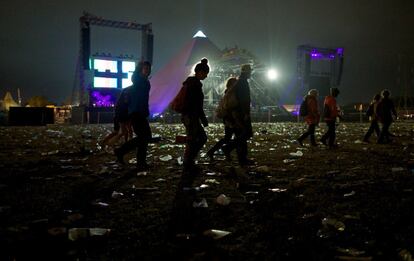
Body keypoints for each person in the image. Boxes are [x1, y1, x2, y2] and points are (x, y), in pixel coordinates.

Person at [114, 61, 152, 170]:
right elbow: (137, 99)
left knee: (144, 138)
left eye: (149, 69)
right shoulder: (140, 82)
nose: (148, 71)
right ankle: (121, 151)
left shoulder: (144, 82)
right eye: (145, 68)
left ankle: (140, 162)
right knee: (145, 137)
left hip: (140, 112)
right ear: (140, 70)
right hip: (136, 113)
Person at [181, 58, 210, 170]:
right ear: (200, 72)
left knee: (193, 139)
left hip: (189, 116)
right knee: (198, 138)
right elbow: (196, 105)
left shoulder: (190, 83)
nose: (206, 76)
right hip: (191, 116)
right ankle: (188, 161)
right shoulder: (195, 85)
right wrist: (203, 119)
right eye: (205, 73)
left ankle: (188, 160)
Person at [225, 64, 254, 166]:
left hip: (237, 113)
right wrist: (246, 113)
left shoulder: (238, 82)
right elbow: (244, 100)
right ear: (248, 72)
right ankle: (228, 148)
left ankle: (242, 158)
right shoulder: (243, 83)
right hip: (241, 113)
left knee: (240, 135)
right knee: (247, 133)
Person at [206, 77, 238, 160]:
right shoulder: (230, 93)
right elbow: (229, 106)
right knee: (237, 137)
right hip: (230, 118)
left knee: (228, 138)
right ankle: (224, 151)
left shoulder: (228, 92)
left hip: (228, 118)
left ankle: (213, 151)